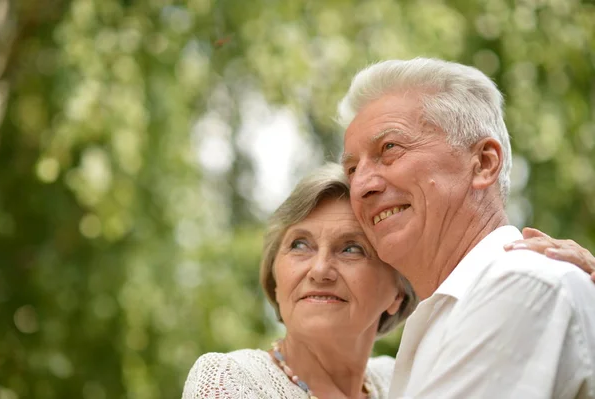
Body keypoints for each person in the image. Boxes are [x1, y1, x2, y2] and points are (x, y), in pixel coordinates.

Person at [182, 164, 594, 399]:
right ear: (274, 278)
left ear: (398, 293)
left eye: (351, 249)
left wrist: (585, 294)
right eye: (300, 246)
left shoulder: (406, 377)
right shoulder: (229, 378)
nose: (320, 269)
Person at [339, 57, 595, 398]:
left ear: (484, 163)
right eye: (353, 168)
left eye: (389, 148)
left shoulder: (521, 284)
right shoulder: (444, 316)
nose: (361, 186)